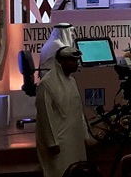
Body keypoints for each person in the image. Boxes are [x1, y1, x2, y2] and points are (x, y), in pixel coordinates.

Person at [36, 46, 89, 177]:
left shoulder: (72, 81)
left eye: (76, 61)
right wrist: (52, 142)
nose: (76, 64)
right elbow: (45, 117)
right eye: (72, 60)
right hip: (59, 143)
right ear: (60, 62)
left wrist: (85, 136)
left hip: (75, 139)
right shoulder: (46, 84)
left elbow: (78, 112)